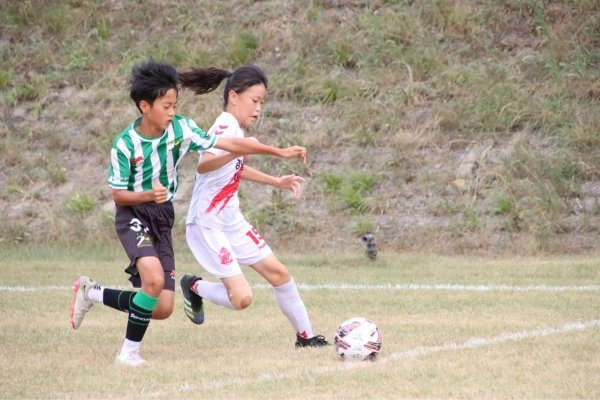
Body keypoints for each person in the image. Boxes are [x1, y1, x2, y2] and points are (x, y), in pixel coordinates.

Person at [69, 58, 308, 366]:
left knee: (162, 307)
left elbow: (227, 146)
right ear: (145, 106)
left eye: (174, 105)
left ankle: (91, 292)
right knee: (153, 281)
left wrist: (276, 155)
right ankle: (128, 353)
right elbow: (118, 194)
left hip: (163, 215)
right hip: (133, 213)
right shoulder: (124, 145)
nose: (172, 112)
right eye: (166, 106)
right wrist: (145, 194)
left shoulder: (181, 128)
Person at [178, 64, 329, 348]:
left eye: (262, 102)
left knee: (280, 274)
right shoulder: (225, 125)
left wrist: (275, 181)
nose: (258, 108)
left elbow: (235, 166)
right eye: (254, 100)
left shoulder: (236, 130)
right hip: (208, 223)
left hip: (231, 220)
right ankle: (194, 286)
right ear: (234, 96)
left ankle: (306, 338)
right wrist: (249, 148)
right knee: (242, 299)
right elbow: (205, 164)